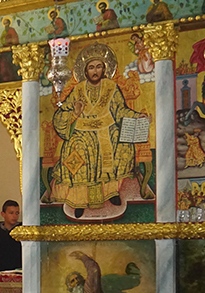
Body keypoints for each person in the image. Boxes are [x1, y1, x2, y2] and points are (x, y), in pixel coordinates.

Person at [48, 43, 149, 218]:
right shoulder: (78, 89)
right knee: (79, 151)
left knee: (119, 144)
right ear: (85, 71)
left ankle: (111, 193)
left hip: (106, 128)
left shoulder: (111, 87)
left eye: (99, 67)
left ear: (104, 69)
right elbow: (64, 110)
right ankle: (80, 200)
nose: (95, 71)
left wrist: (136, 116)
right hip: (82, 130)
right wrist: (74, 112)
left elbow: (119, 110)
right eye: (91, 67)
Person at [0, 200, 22, 271]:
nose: (14, 216)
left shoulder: (22, 231)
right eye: (11, 213)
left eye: (17, 213)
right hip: (2, 272)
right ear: (3, 214)